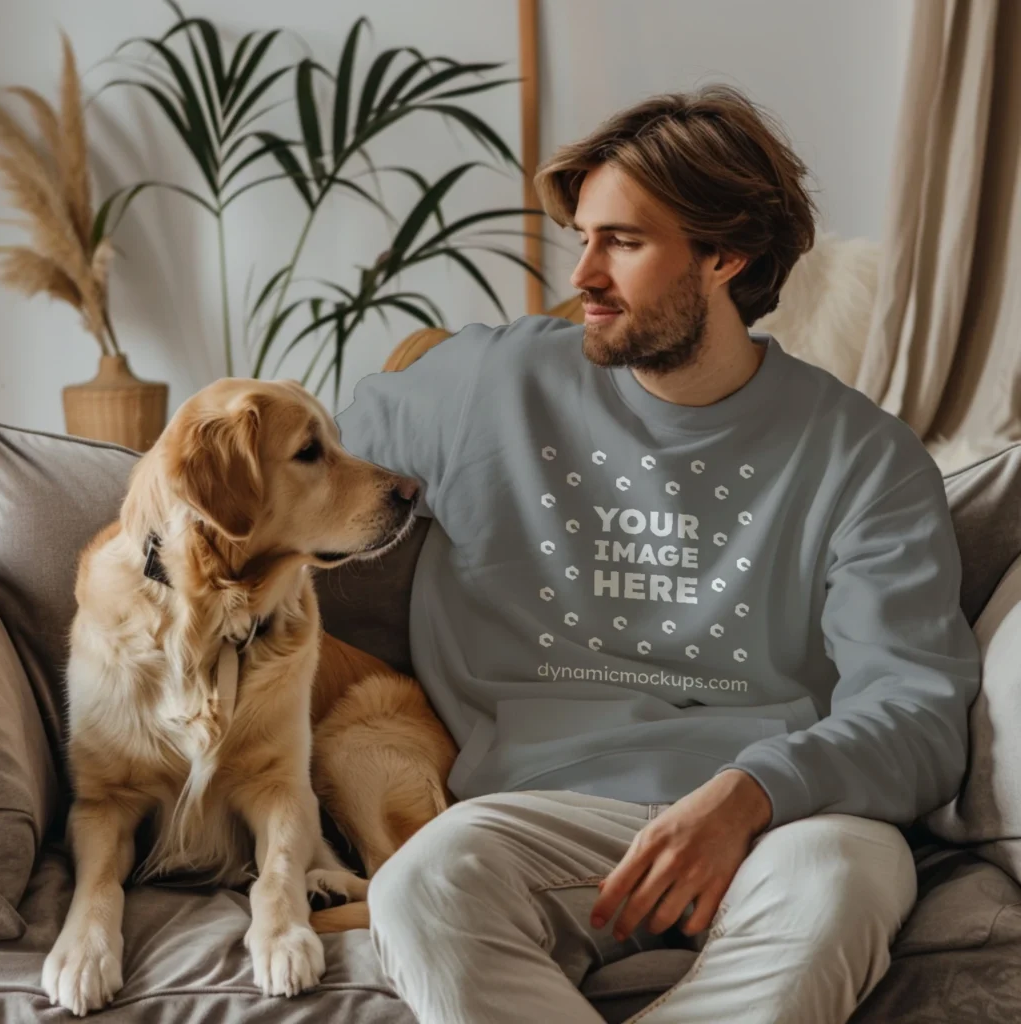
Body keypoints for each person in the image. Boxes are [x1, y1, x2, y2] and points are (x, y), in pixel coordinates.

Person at [334, 85, 981, 1024]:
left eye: (624, 243)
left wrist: (756, 790)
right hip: (543, 811)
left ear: (727, 255)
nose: (584, 275)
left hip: (786, 822)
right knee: (423, 885)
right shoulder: (484, 385)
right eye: (584, 238)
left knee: (841, 877)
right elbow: (289, 474)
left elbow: (919, 716)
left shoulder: (863, 456)